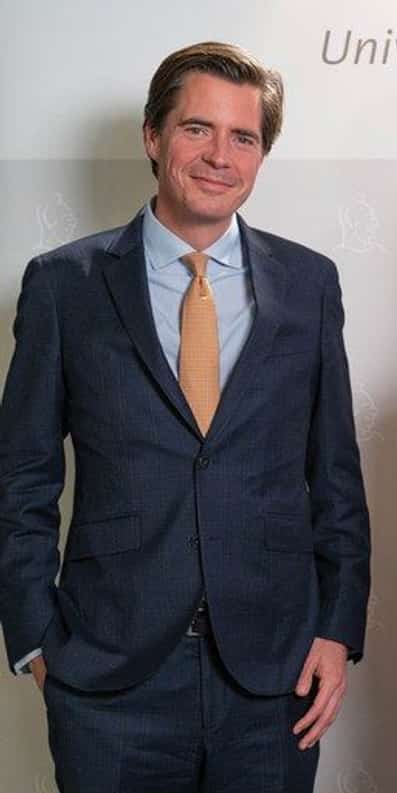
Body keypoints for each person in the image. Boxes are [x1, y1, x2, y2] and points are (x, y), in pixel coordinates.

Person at [0, 41, 371, 793]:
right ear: (153, 136)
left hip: (273, 680)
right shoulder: (62, 286)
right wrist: (37, 640)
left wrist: (338, 629)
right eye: (197, 129)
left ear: (262, 154)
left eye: (244, 137)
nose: (219, 156)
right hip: (109, 682)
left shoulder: (309, 285)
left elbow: (334, 475)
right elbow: (22, 479)